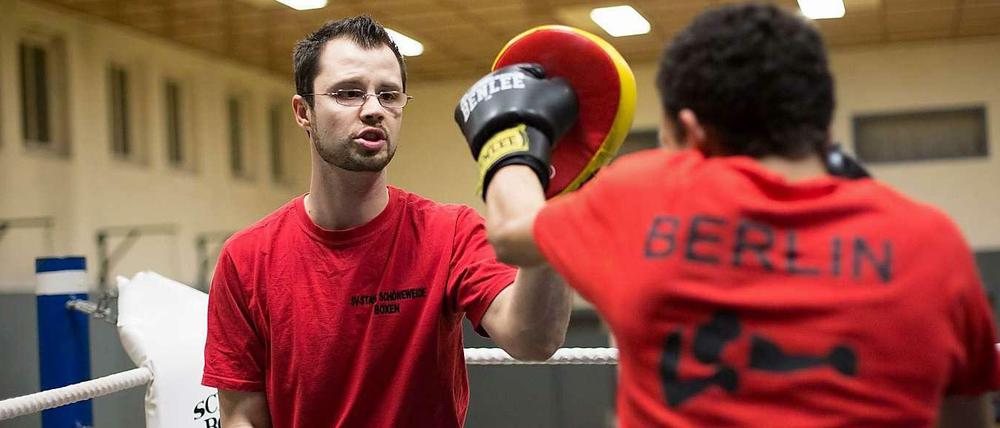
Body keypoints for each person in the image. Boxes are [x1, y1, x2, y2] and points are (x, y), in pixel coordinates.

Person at [455, 3, 999, 427]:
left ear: (691, 130)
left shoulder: (645, 198)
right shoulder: (932, 241)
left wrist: (508, 135)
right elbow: (965, 420)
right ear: (822, 122)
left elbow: (511, 231)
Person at [201, 15, 572, 428]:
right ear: (304, 112)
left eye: (389, 95)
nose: (374, 109)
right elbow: (242, 417)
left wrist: (551, 205)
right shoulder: (247, 258)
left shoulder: (450, 233)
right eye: (348, 93)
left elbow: (533, 339)